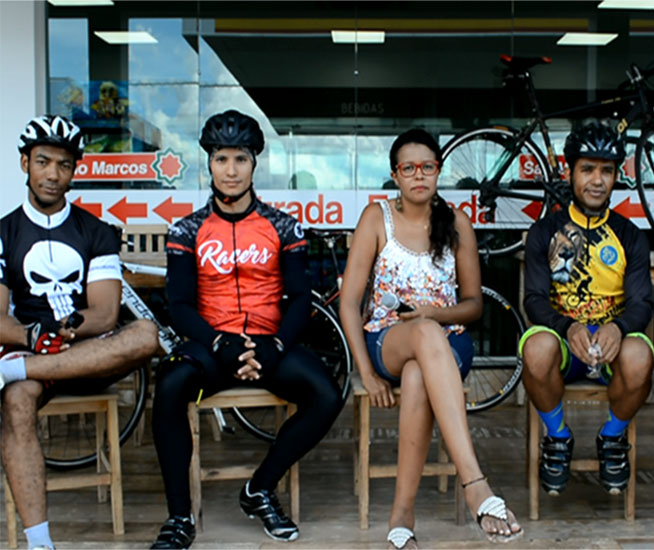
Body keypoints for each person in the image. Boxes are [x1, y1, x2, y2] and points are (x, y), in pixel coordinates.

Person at [150, 110, 343, 549]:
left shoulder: (283, 226)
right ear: (210, 164)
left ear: (255, 163)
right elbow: (178, 306)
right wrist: (220, 343)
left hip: (269, 345)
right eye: (221, 159)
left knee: (327, 394)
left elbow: (300, 299)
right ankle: (179, 518)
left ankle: (259, 488)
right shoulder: (187, 229)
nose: (231, 170)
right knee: (170, 384)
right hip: (211, 347)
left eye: (241, 158)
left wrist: (272, 347)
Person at [339, 128, 522, 549]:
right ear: (395, 174)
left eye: (428, 167)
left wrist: (433, 313)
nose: (418, 175)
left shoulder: (456, 222)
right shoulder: (376, 218)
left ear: (439, 171)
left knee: (422, 367)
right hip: (387, 340)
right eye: (409, 168)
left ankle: (402, 513)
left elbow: (474, 305)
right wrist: (366, 373)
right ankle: (474, 483)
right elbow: (350, 304)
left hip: (448, 343)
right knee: (421, 334)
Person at [0, 114, 159, 550]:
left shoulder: (96, 231)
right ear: (24, 164)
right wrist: (32, 338)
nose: (53, 174)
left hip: (84, 351)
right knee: (16, 402)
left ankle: (17, 370)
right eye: (43, 162)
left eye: (64, 165)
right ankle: (40, 543)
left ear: (75, 170)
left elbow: (106, 314)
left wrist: (76, 328)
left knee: (146, 333)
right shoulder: (3, 233)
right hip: (33, 351)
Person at [520, 120, 654, 497]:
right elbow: (533, 300)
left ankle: (612, 437)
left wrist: (618, 329)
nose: (597, 180)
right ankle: (558, 437)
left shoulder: (630, 235)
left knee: (641, 356)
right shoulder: (546, 231)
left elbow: (642, 301)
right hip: (566, 345)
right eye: (588, 169)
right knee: (536, 348)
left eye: (607, 171)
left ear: (617, 176)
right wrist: (569, 328)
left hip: (612, 347)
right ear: (570, 171)